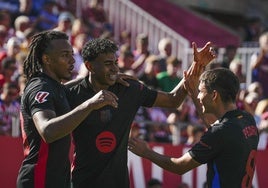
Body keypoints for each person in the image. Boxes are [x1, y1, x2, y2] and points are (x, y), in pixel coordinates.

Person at [66, 38, 215, 187]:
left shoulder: (129, 88)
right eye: (107, 64)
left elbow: (173, 100)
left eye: (115, 63)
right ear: (89, 66)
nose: (115, 69)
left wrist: (197, 65)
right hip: (82, 182)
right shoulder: (72, 94)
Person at [16, 30, 120, 188]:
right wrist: (89, 105)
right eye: (65, 55)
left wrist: (105, 76)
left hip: (57, 179)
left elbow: (67, 88)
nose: (72, 60)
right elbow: (48, 131)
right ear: (47, 59)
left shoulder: (55, 86)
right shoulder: (40, 88)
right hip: (39, 179)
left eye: (72, 54)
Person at [128, 68, 259, 187]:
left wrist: (146, 152)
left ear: (214, 95)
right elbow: (219, 131)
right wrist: (193, 93)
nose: (198, 96)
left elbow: (180, 166)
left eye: (201, 92)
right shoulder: (247, 119)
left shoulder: (221, 132)